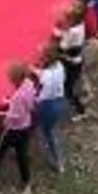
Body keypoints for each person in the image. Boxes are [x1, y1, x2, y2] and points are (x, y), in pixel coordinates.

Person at [0, 62, 37, 190]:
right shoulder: (29, 83)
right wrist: (9, 101)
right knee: (21, 154)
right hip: (26, 126)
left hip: (13, 129)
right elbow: (28, 104)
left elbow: (14, 115)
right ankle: (26, 180)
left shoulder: (18, 96)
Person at [33, 46, 70, 174]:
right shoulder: (60, 66)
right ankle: (59, 162)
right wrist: (34, 69)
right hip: (60, 101)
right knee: (50, 130)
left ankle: (58, 161)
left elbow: (43, 95)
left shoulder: (47, 76)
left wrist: (33, 100)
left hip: (48, 105)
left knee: (47, 131)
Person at [58, 13, 89, 118]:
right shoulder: (80, 26)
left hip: (72, 62)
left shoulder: (73, 31)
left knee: (69, 89)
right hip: (76, 60)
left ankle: (80, 110)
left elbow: (63, 47)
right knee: (75, 82)